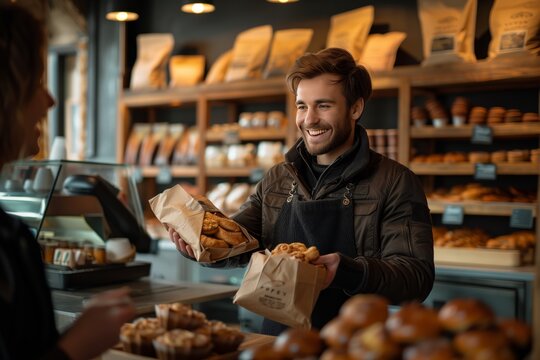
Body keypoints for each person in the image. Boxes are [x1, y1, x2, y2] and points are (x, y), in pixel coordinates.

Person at [170, 47, 434, 335]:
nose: (309, 119)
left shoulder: (394, 181)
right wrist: (200, 244)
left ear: (356, 108)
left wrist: (345, 270)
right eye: (302, 106)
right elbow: (239, 244)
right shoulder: (278, 179)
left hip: (354, 347)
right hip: (278, 342)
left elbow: (415, 278)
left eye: (323, 105)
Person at [0, 4, 136, 359]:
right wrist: (78, 344)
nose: (50, 101)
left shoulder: (11, 237)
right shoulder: (7, 243)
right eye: (35, 83)